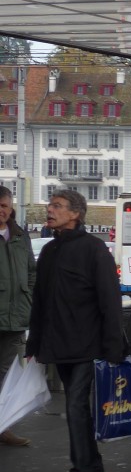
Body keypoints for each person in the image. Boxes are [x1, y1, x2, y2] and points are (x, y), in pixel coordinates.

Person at [26, 189, 124, 472]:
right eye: (50, 205)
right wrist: (35, 345)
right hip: (61, 344)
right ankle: (94, 470)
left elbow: (110, 301)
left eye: (57, 206)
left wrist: (113, 348)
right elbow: (40, 301)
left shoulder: (94, 249)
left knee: (76, 407)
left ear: (76, 214)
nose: (49, 209)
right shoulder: (51, 251)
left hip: (88, 345)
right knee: (77, 407)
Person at [0, 186, 35, 447]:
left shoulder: (21, 236)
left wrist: (29, 298)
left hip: (14, 318)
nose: (2, 211)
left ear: (11, 208)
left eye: (5, 206)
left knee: (8, 375)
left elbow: (32, 271)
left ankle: (4, 427)